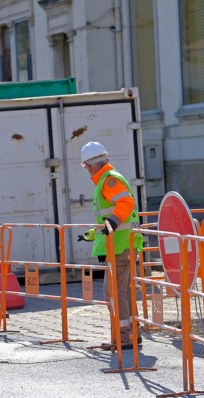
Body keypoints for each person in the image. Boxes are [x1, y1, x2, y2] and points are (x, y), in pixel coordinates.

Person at [78, 141, 144, 350]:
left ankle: (124, 337)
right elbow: (110, 217)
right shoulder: (108, 180)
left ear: (90, 165)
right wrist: (93, 235)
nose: (87, 171)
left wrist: (111, 224)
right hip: (120, 244)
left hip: (120, 246)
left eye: (87, 167)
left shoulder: (109, 181)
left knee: (115, 293)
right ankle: (131, 334)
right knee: (123, 292)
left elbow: (124, 206)